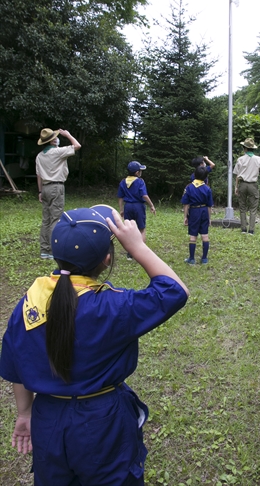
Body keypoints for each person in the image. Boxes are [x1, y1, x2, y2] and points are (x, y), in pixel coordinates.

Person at [0, 205, 189, 486]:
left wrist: (25, 413)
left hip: (47, 417)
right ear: (106, 259)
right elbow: (175, 291)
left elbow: (16, 367)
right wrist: (138, 248)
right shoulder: (113, 306)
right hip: (102, 420)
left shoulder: (29, 302)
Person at [36, 128, 81, 260]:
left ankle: (44, 249)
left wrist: (40, 191)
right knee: (55, 219)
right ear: (53, 140)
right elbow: (77, 146)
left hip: (45, 187)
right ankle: (52, 249)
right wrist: (68, 134)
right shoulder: (57, 152)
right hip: (56, 187)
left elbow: (38, 175)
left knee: (46, 220)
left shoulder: (39, 156)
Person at [233, 137, 260, 234]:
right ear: (253, 148)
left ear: (245, 148)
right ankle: (251, 230)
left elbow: (237, 175)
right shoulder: (258, 159)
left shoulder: (240, 159)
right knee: (253, 208)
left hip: (242, 184)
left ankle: (243, 228)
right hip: (253, 185)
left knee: (242, 207)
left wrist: (236, 186)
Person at [117, 161, 156, 254]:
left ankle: (130, 254)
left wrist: (121, 209)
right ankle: (141, 253)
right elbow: (144, 196)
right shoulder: (140, 181)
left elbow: (120, 198)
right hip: (138, 206)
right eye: (140, 170)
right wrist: (152, 205)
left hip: (128, 206)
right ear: (137, 173)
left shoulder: (123, 182)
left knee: (129, 229)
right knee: (141, 229)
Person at [181, 166, 214, 264]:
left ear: (194, 175)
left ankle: (191, 259)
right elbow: (209, 205)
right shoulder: (207, 188)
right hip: (204, 211)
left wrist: (185, 217)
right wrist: (209, 218)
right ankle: (204, 259)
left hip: (194, 211)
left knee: (193, 235)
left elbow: (186, 204)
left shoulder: (189, 187)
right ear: (206, 177)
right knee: (205, 235)